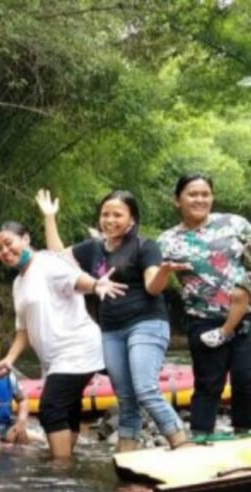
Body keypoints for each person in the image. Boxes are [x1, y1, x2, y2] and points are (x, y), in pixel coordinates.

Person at [38, 188, 189, 451]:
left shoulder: (145, 246)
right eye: (105, 214)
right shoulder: (93, 249)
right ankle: (126, 455)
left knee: (145, 388)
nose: (110, 220)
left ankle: (182, 443)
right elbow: (58, 257)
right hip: (110, 330)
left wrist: (165, 271)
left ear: (132, 219)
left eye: (117, 214)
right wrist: (50, 217)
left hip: (146, 324)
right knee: (126, 398)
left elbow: (153, 287)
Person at [0, 220, 126, 457]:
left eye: (8, 243)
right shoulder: (18, 283)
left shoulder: (46, 262)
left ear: (25, 239)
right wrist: (10, 359)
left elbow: (75, 280)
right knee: (69, 406)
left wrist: (96, 285)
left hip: (76, 347)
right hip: (54, 358)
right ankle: (69, 463)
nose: (5, 251)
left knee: (51, 407)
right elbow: (23, 329)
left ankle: (60, 467)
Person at [157, 173, 251, 438]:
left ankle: (246, 435)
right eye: (192, 194)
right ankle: (200, 437)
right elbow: (153, 281)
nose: (200, 199)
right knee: (208, 384)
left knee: (246, 380)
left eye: (205, 194)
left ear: (212, 196)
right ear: (178, 200)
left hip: (245, 316)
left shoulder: (236, 224)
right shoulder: (167, 241)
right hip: (202, 319)